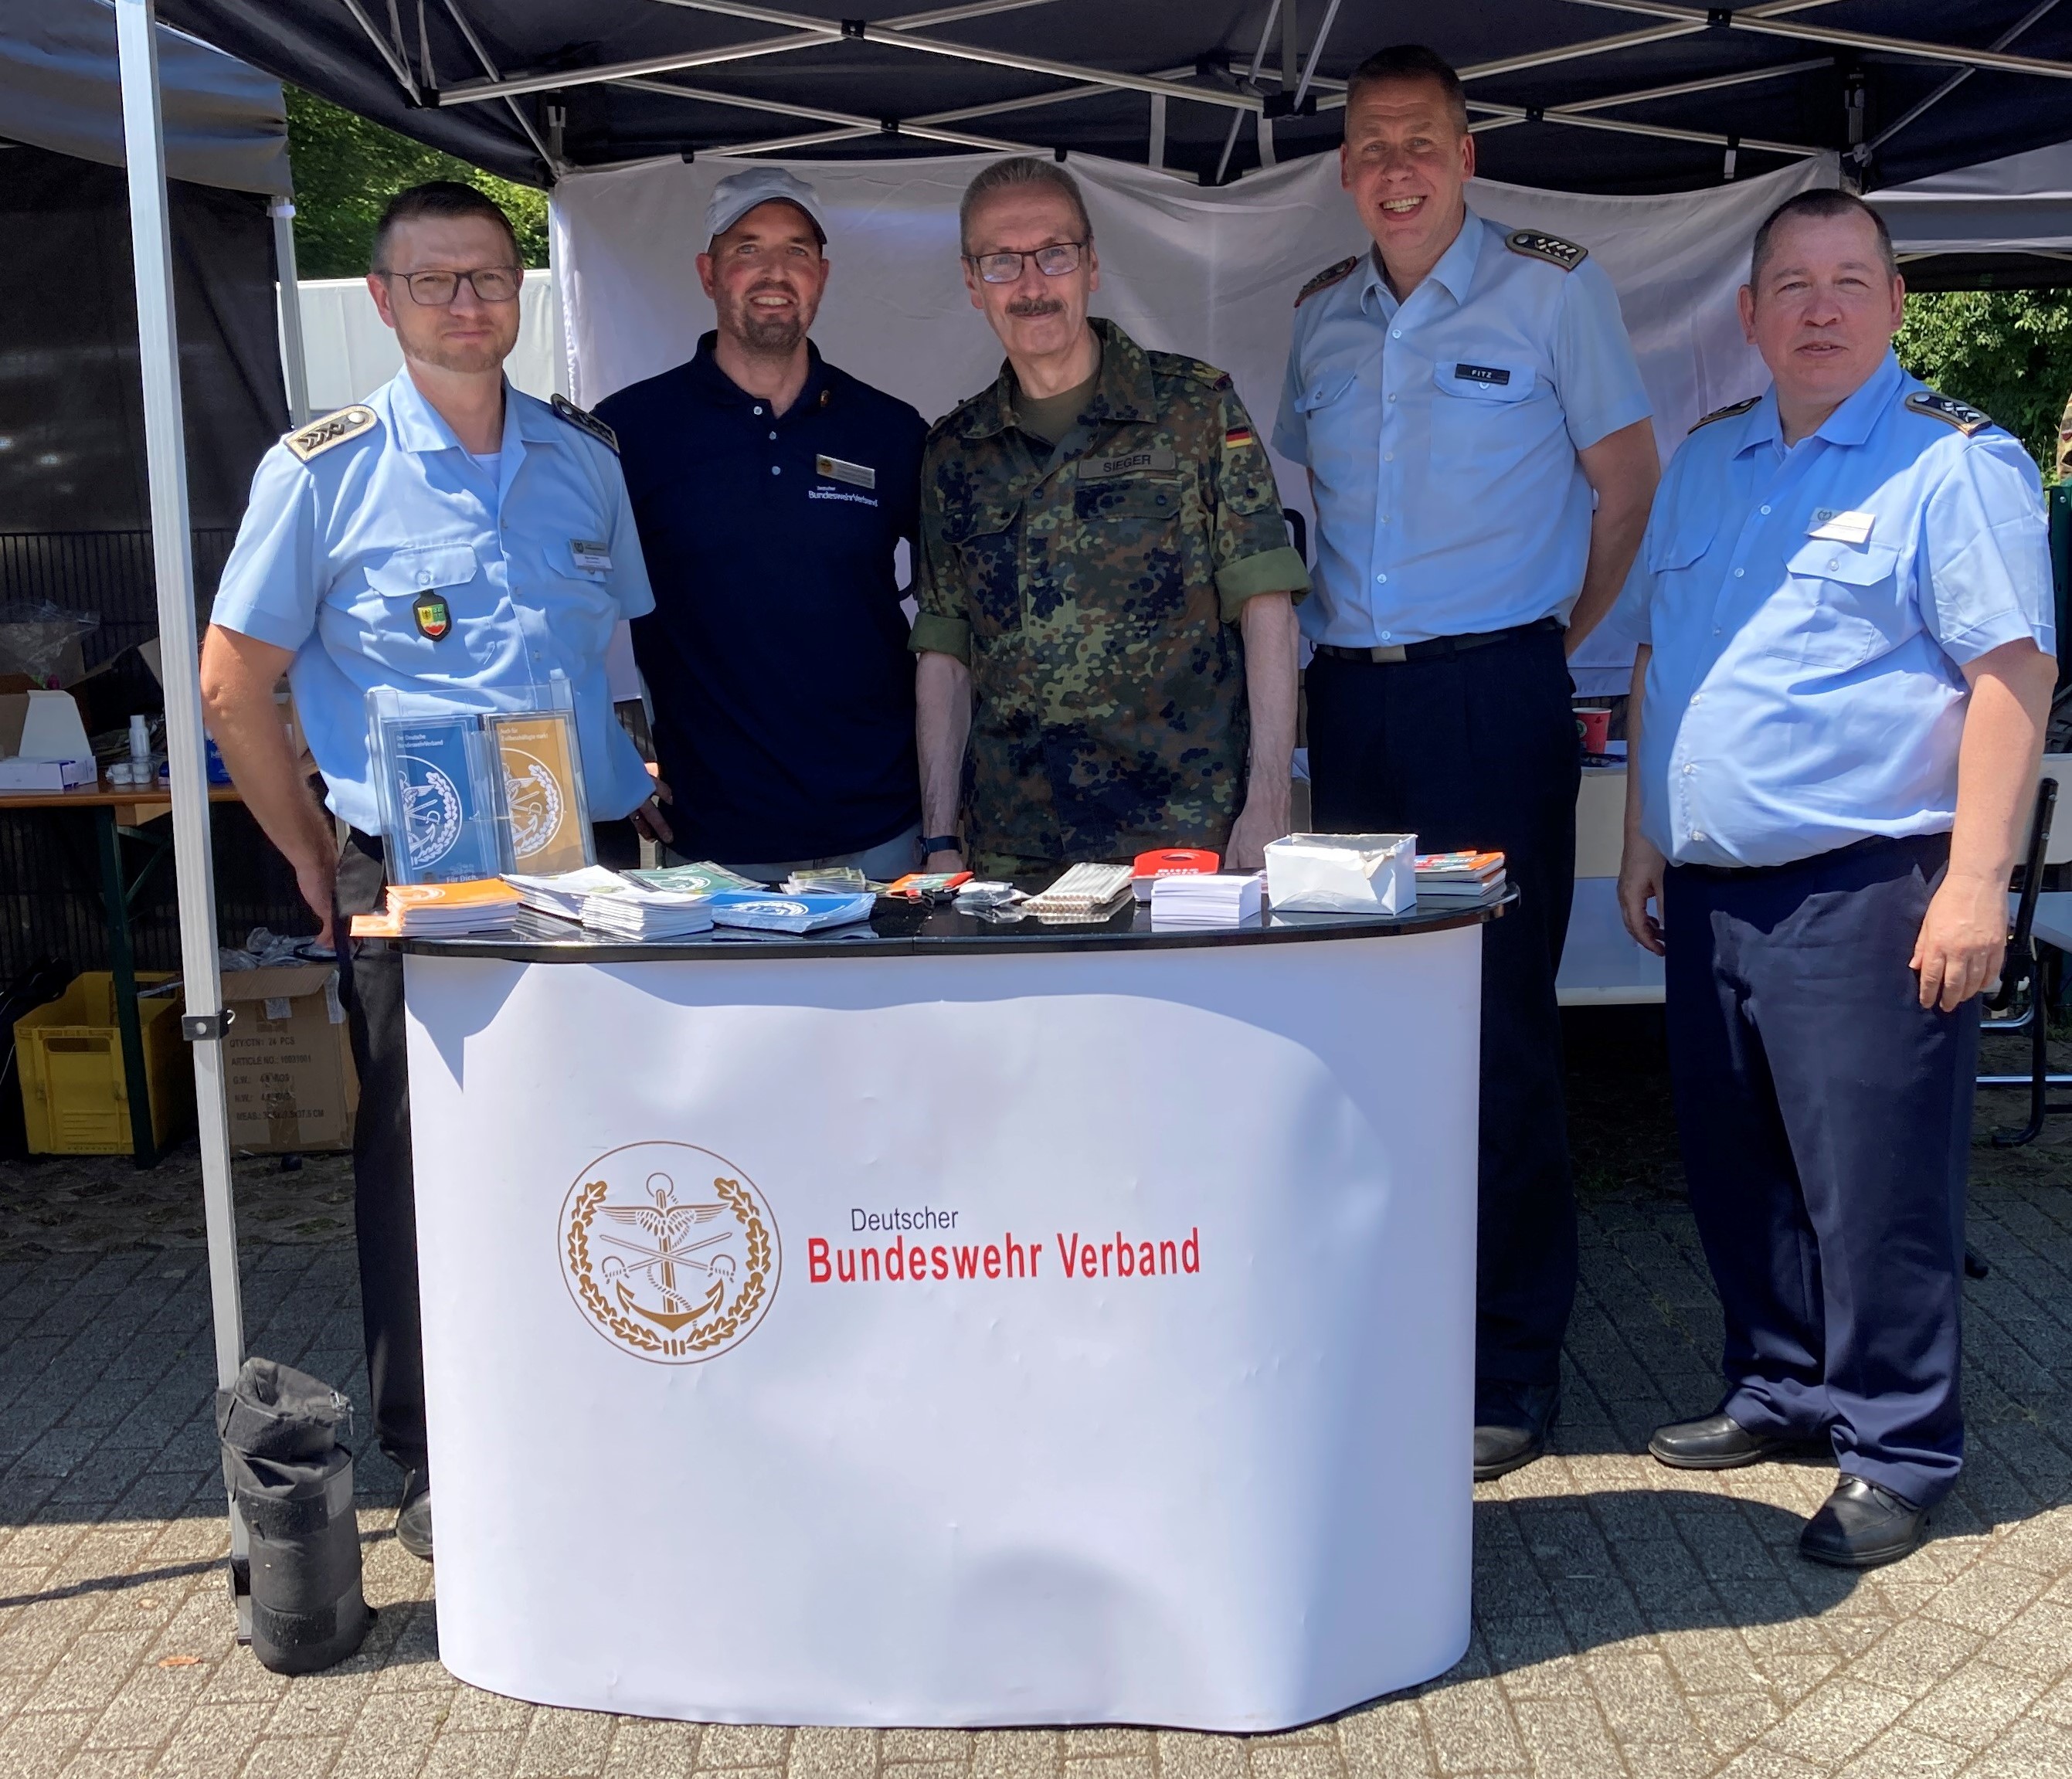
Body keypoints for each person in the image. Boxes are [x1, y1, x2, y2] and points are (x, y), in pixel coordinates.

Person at [199, 182, 661, 1562]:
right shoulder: (319, 471)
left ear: (520, 295)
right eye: (436, 280)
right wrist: (306, 846)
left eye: (489, 277)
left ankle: (608, 1398)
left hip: (590, 863)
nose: (469, 301)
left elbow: (617, 662)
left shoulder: (585, 460)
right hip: (421, 871)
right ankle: (432, 1443)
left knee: (604, 1141)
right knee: (419, 1158)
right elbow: (234, 685)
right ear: (386, 300)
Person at [1615, 189, 2056, 1567]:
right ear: (1744, 316)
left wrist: (1976, 887)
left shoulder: (1952, 465)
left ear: (1892, 305)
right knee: (1738, 1162)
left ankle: (1901, 1442)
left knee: (1872, 1184)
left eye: (1847, 281)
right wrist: (1642, 837)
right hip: (1712, 888)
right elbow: (1659, 662)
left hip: (1866, 888)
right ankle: (1784, 1383)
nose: (1818, 307)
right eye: (1790, 285)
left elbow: (2011, 677)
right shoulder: (1706, 462)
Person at [1274, 43, 1661, 1479]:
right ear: (1342, 170)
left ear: (1466, 154)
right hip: (1352, 706)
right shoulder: (1318, 316)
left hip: (1492, 697)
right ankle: (1389, 1331)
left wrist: (1551, 635)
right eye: (1370, 145)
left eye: (1419, 140)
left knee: (1496, 1025)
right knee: (1368, 1022)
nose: (1394, 167)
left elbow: (1625, 483)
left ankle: (1509, 1363)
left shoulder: (1553, 289)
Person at [912, 157, 1308, 879]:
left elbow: (1267, 608)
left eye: (1055, 255)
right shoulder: (954, 452)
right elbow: (946, 652)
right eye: (1003, 262)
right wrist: (940, 838)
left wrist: (1269, 800)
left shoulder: (1195, 409)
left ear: (1092, 265)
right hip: (1016, 849)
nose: (1032, 286)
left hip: (1187, 833)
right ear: (973, 283)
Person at [596, 168, 929, 882]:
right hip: (716, 845)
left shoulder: (891, 432)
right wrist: (602, 753)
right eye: (748, 248)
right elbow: (555, 607)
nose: (775, 272)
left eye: (798, 251)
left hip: (885, 834)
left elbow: (956, 615)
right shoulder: (628, 432)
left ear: (823, 275)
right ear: (708, 272)